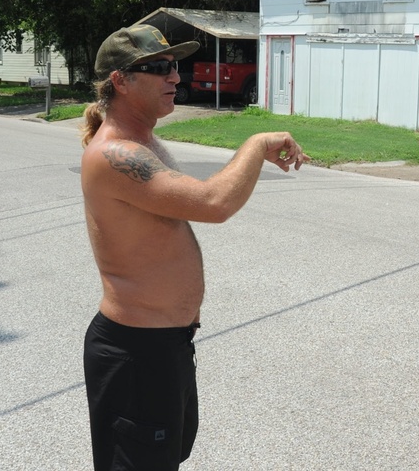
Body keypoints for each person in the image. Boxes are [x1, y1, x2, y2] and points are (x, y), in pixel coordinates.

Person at [79, 25, 309, 470]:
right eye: (159, 67)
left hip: (167, 347)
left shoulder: (143, 141)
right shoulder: (114, 155)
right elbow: (214, 202)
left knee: (166, 457)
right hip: (136, 355)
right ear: (120, 81)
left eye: (175, 66)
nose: (175, 77)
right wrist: (257, 143)